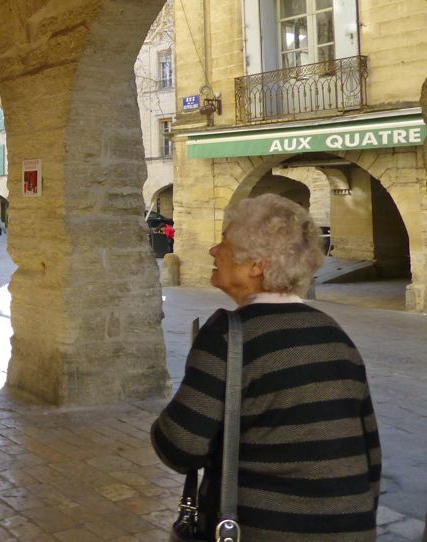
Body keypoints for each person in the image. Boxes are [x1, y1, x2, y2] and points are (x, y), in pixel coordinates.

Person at [152, 194, 380, 541]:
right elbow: (369, 452)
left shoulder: (229, 334)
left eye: (225, 243)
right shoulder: (335, 335)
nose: (214, 251)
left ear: (257, 265)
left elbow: (179, 445)